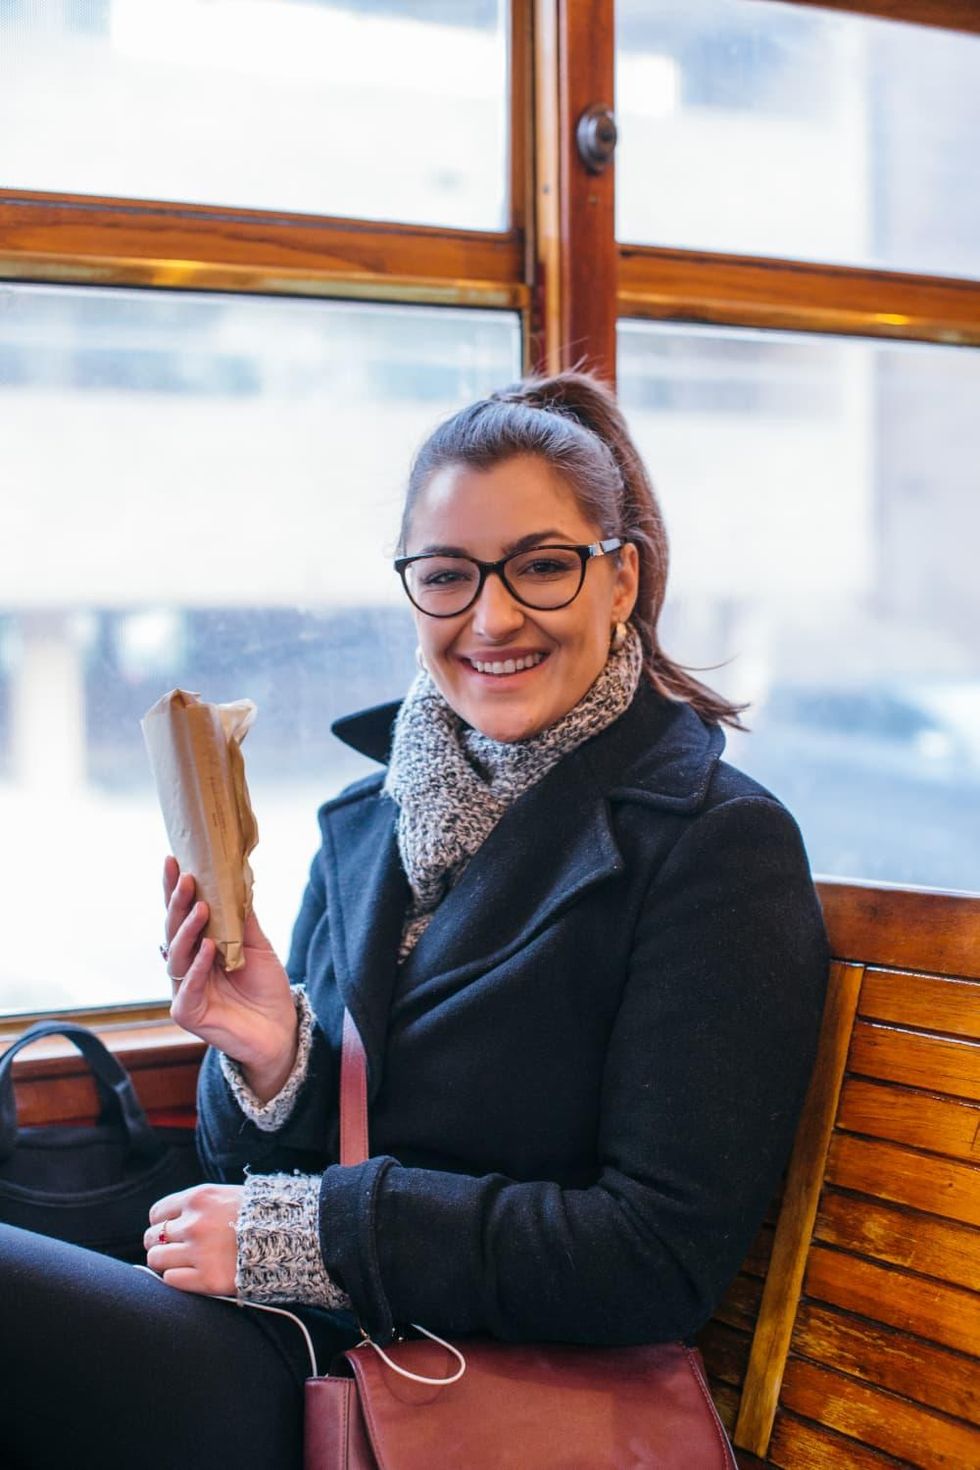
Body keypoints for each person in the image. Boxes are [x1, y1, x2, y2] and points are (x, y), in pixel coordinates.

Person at [0, 371, 828, 1468]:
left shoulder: (716, 845)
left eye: (541, 566)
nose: (492, 616)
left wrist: (314, 1235)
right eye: (446, 575)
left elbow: (655, 1257)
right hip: (322, 1354)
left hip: (472, 1389)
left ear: (619, 578)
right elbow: (259, 1169)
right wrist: (273, 1059)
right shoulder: (366, 822)